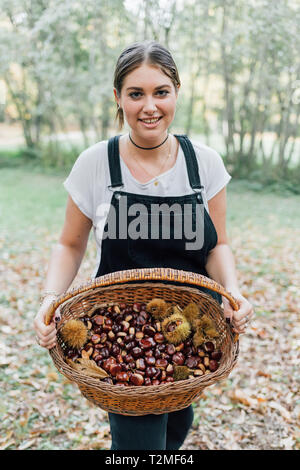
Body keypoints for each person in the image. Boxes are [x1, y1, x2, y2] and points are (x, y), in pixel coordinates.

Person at [34, 40, 254, 450]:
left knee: (174, 430)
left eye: (160, 92)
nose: (149, 106)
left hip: (190, 335)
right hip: (116, 334)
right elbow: (68, 244)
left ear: (177, 93)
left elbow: (219, 245)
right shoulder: (95, 163)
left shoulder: (203, 163)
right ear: (118, 97)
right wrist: (50, 297)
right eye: (136, 94)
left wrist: (234, 291)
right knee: (139, 446)